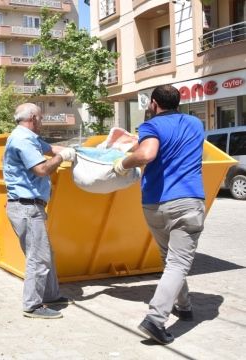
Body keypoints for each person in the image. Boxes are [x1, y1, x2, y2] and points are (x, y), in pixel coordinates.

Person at [113, 85, 205, 345]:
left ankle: (184, 306)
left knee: (171, 259)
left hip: (154, 204)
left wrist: (123, 163)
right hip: (187, 202)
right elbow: (151, 152)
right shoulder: (196, 123)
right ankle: (155, 318)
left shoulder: (151, 125)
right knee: (178, 261)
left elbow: (147, 154)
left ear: (153, 103)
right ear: (178, 101)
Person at [3, 102, 77, 319]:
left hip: (31, 206)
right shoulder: (22, 140)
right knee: (38, 257)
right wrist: (63, 158)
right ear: (33, 118)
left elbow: (53, 149)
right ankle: (32, 305)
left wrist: (77, 151)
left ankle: (51, 294)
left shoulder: (29, 137)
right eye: (41, 118)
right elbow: (42, 169)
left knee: (46, 254)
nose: (43, 121)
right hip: (27, 207)